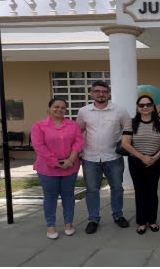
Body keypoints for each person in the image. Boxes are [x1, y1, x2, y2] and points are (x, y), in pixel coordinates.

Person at [76, 80, 131, 234]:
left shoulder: (119, 110)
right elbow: (78, 132)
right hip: (90, 158)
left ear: (109, 93)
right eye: (97, 91)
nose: (101, 94)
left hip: (113, 157)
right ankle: (93, 219)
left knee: (117, 188)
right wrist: (76, 150)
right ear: (91, 93)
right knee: (92, 190)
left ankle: (118, 216)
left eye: (104, 91)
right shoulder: (83, 111)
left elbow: (128, 130)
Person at [31, 98, 84, 239]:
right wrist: (56, 162)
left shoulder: (73, 125)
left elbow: (78, 142)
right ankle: (51, 225)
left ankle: (68, 223)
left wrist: (71, 160)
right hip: (47, 169)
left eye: (63, 107)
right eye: (56, 107)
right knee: (50, 197)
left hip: (70, 167)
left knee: (68, 196)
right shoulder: (39, 126)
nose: (59, 109)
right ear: (49, 108)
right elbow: (39, 146)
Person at [120, 95, 160, 235]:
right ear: (138, 108)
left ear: (153, 106)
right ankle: (142, 222)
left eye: (148, 104)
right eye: (141, 105)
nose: (145, 107)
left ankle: (152, 220)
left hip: (155, 161)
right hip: (137, 161)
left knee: (152, 191)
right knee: (141, 192)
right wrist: (142, 157)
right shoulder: (131, 123)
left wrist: (155, 157)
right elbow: (125, 143)